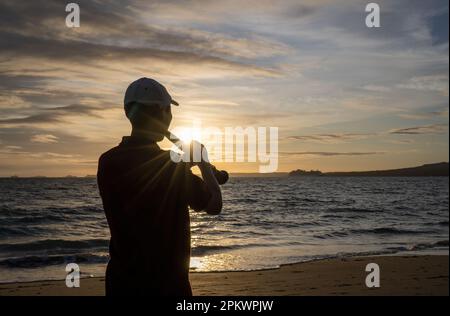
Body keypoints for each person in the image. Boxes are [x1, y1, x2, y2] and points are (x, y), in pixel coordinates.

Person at [97, 77, 222, 296]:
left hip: (121, 285)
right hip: (167, 286)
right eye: (168, 111)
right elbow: (214, 205)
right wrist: (204, 165)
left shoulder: (107, 162)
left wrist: (183, 164)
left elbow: (142, 171)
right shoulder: (172, 165)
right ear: (164, 113)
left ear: (128, 113)